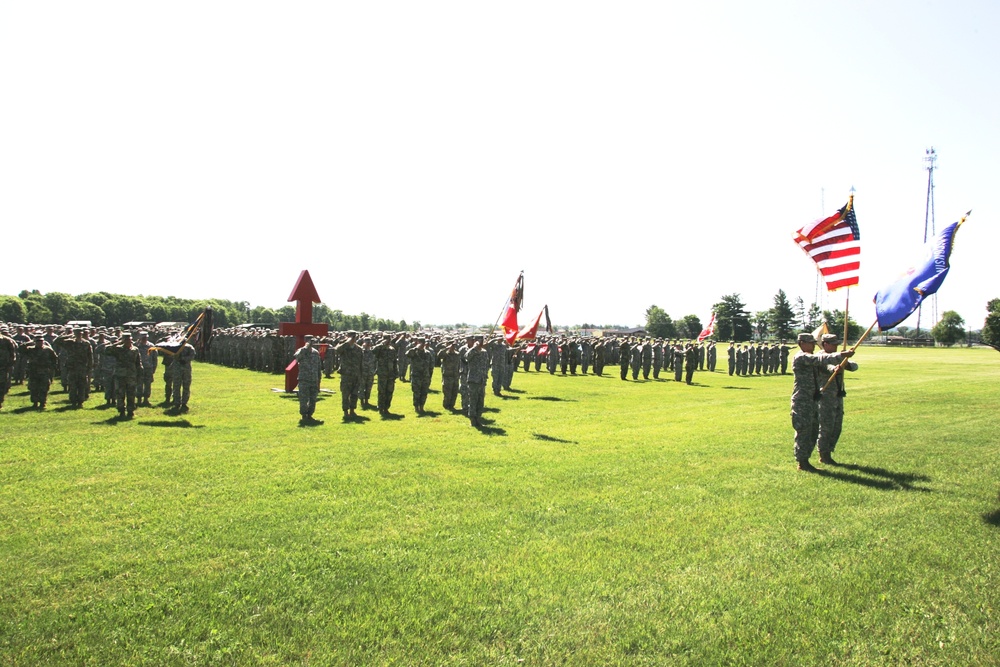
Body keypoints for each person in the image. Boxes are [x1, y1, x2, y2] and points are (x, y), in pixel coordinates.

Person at [790, 332, 854, 471]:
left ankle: (806, 460)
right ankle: (802, 462)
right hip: (802, 401)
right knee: (804, 431)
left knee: (813, 431)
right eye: (811, 342)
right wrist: (841, 355)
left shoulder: (810, 357)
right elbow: (818, 359)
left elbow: (822, 363)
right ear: (802, 343)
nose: (813, 345)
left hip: (812, 399)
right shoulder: (801, 357)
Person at [816, 333, 858, 464]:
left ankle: (829, 450)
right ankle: (824, 454)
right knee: (826, 426)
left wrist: (846, 364)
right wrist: (835, 368)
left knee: (837, 426)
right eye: (833, 344)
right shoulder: (819, 357)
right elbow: (827, 366)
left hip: (838, 395)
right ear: (825, 344)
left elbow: (855, 366)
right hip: (826, 396)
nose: (836, 347)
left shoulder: (839, 356)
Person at [105, 332, 143, 418]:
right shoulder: (118, 349)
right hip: (120, 375)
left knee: (131, 394)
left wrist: (140, 373)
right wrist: (118, 343)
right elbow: (106, 350)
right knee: (120, 394)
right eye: (126, 340)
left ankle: (130, 411)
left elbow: (138, 362)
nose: (128, 341)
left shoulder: (135, 349)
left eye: (129, 340)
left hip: (131, 375)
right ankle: (121, 410)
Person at [22, 335, 59, 409]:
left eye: (41, 341)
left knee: (44, 388)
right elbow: (20, 349)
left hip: (44, 371)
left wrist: (52, 367)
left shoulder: (48, 349)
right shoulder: (30, 349)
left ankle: (43, 402)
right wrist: (29, 343)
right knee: (33, 388)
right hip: (33, 371)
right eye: (38, 341)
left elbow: (54, 358)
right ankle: (35, 402)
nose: (40, 343)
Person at [293, 335, 323, 424]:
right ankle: (304, 415)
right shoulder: (301, 351)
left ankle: (310, 415)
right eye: (309, 340)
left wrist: (319, 379)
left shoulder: (315, 352)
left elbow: (318, 367)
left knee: (313, 399)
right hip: (304, 379)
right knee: (303, 399)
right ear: (305, 340)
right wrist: (306, 347)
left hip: (314, 379)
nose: (310, 342)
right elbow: (297, 357)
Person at [335, 331, 363, 419]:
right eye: (351, 336)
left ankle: (352, 410)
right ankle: (345, 411)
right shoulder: (343, 346)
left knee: (355, 394)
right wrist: (347, 342)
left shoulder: (358, 349)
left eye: (354, 337)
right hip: (346, 375)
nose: (353, 338)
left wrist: (361, 374)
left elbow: (361, 362)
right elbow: (337, 351)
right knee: (345, 394)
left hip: (356, 375)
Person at [464, 335, 489, 427]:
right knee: (473, 401)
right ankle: (472, 420)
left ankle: (478, 419)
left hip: (482, 380)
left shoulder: (484, 352)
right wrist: (475, 347)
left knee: (480, 401)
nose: (481, 342)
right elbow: (466, 357)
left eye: (482, 340)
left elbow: (486, 365)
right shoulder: (472, 351)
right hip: (473, 380)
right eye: (480, 340)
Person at [170, 341, 196, 413]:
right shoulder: (175, 347)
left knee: (186, 386)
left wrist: (183, 359)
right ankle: (176, 402)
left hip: (186, 369)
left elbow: (192, 356)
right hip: (177, 369)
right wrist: (176, 355)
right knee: (176, 386)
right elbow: (170, 355)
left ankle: (184, 402)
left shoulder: (189, 347)